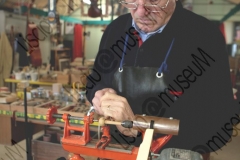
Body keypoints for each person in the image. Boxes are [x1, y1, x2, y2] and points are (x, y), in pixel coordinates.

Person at [86, 0, 240, 159]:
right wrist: (98, 93)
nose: (140, 12)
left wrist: (138, 129)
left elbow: (220, 123)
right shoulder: (115, 30)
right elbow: (93, 81)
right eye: (132, 1)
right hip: (115, 151)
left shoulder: (206, 36)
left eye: (153, 1)